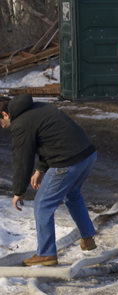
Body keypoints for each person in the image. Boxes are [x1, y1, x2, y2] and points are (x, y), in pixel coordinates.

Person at [1, 94, 97, 266]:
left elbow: (22, 158)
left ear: (5, 114)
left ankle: (46, 254)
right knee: (72, 194)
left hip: (67, 161)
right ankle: (87, 237)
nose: (2, 126)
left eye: (0, 121)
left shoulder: (20, 124)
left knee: (42, 205)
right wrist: (40, 170)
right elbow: (51, 140)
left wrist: (18, 191)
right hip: (87, 154)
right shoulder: (36, 107)